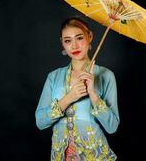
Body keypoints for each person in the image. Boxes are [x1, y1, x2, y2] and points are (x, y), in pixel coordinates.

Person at [35, 16, 120, 160]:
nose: (74, 46)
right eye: (68, 40)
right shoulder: (54, 77)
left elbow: (112, 127)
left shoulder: (106, 75)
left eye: (79, 38)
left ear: (90, 36)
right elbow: (40, 122)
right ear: (62, 43)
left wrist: (93, 93)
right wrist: (69, 98)